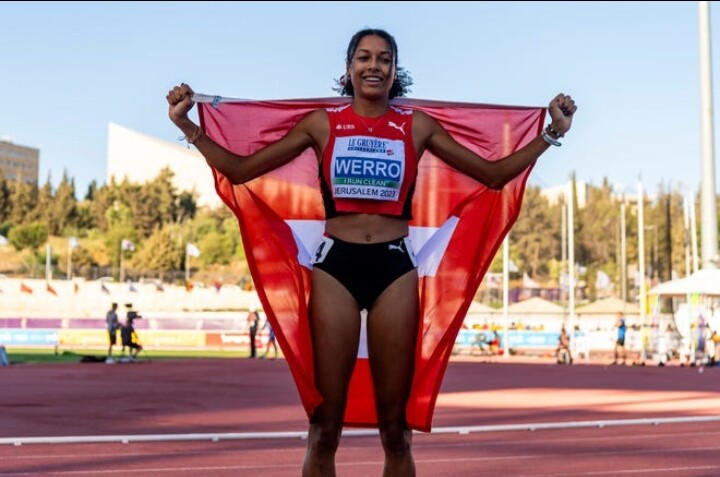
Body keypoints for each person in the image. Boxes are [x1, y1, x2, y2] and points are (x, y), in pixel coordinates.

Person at [167, 28, 576, 477]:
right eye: (364, 57)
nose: (374, 66)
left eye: (384, 59)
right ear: (348, 68)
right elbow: (242, 170)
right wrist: (188, 126)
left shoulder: (416, 126)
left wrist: (551, 133)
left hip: (394, 268)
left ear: (395, 71)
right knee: (324, 427)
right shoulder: (322, 124)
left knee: (396, 431)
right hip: (335, 268)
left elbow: (492, 175)